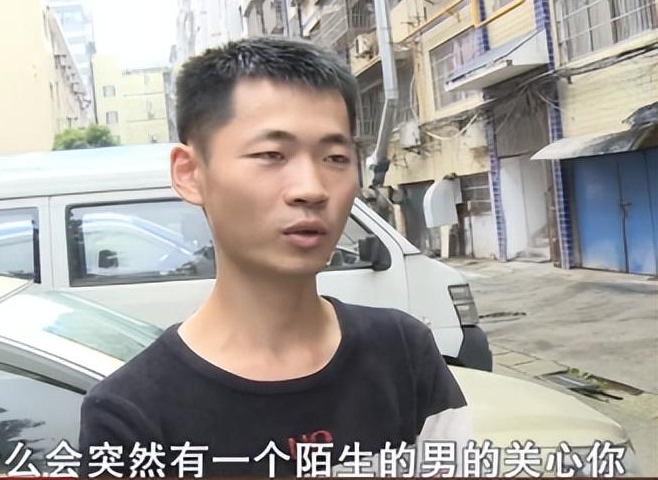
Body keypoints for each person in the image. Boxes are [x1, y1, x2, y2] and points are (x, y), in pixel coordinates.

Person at [80, 37, 471, 477]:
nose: (311, 188)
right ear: (190, 173)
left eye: (335, 157)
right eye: (271, 155)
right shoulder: (129, 415)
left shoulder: (403, 351)